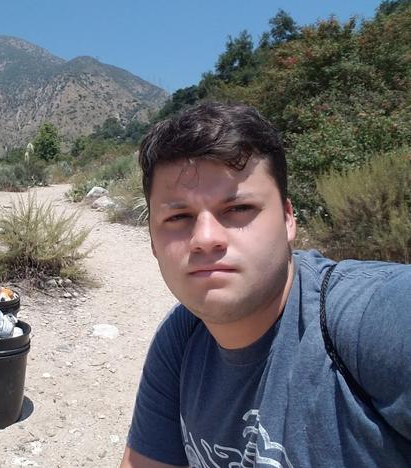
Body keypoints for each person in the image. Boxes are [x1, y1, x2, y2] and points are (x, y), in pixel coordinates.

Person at [120, 102, 411, 467]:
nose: (206, 238)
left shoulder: (374, 318)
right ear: (152, 241)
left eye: (238, 208)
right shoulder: (181, 338)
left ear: (289, 219)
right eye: (178, 216)